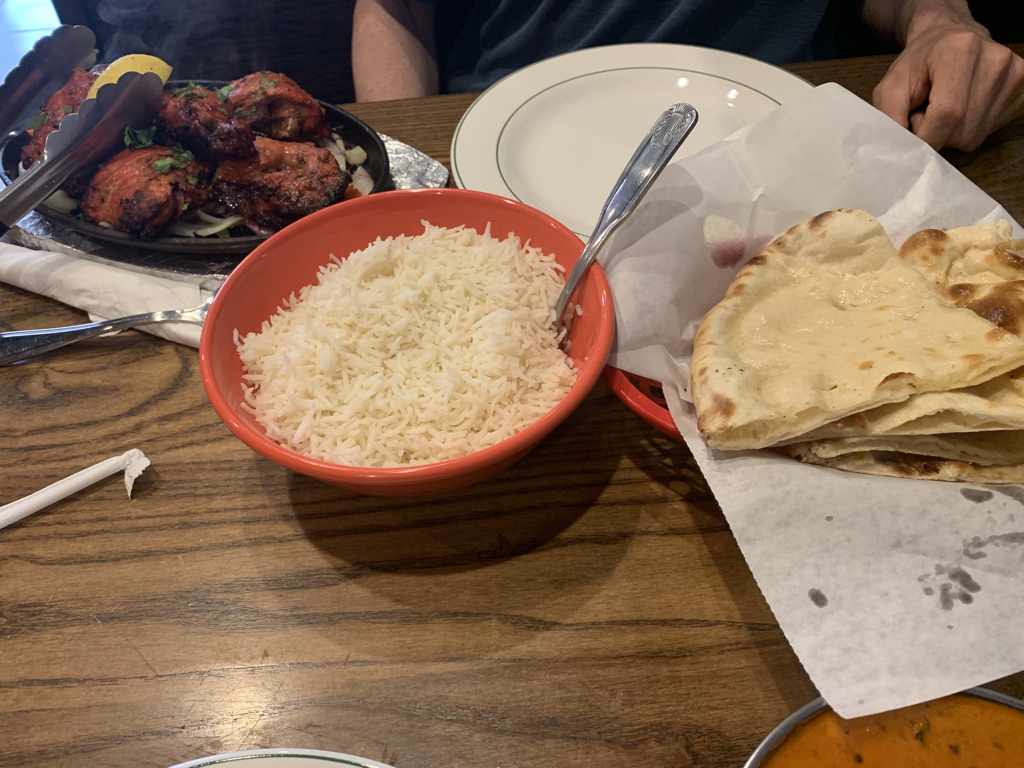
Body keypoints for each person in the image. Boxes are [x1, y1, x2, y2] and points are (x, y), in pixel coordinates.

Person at [351, 0, 1024, 152]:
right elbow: (397, 8)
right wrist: (403, 162)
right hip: (496, 133)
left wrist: (938, 21)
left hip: (787, 139)